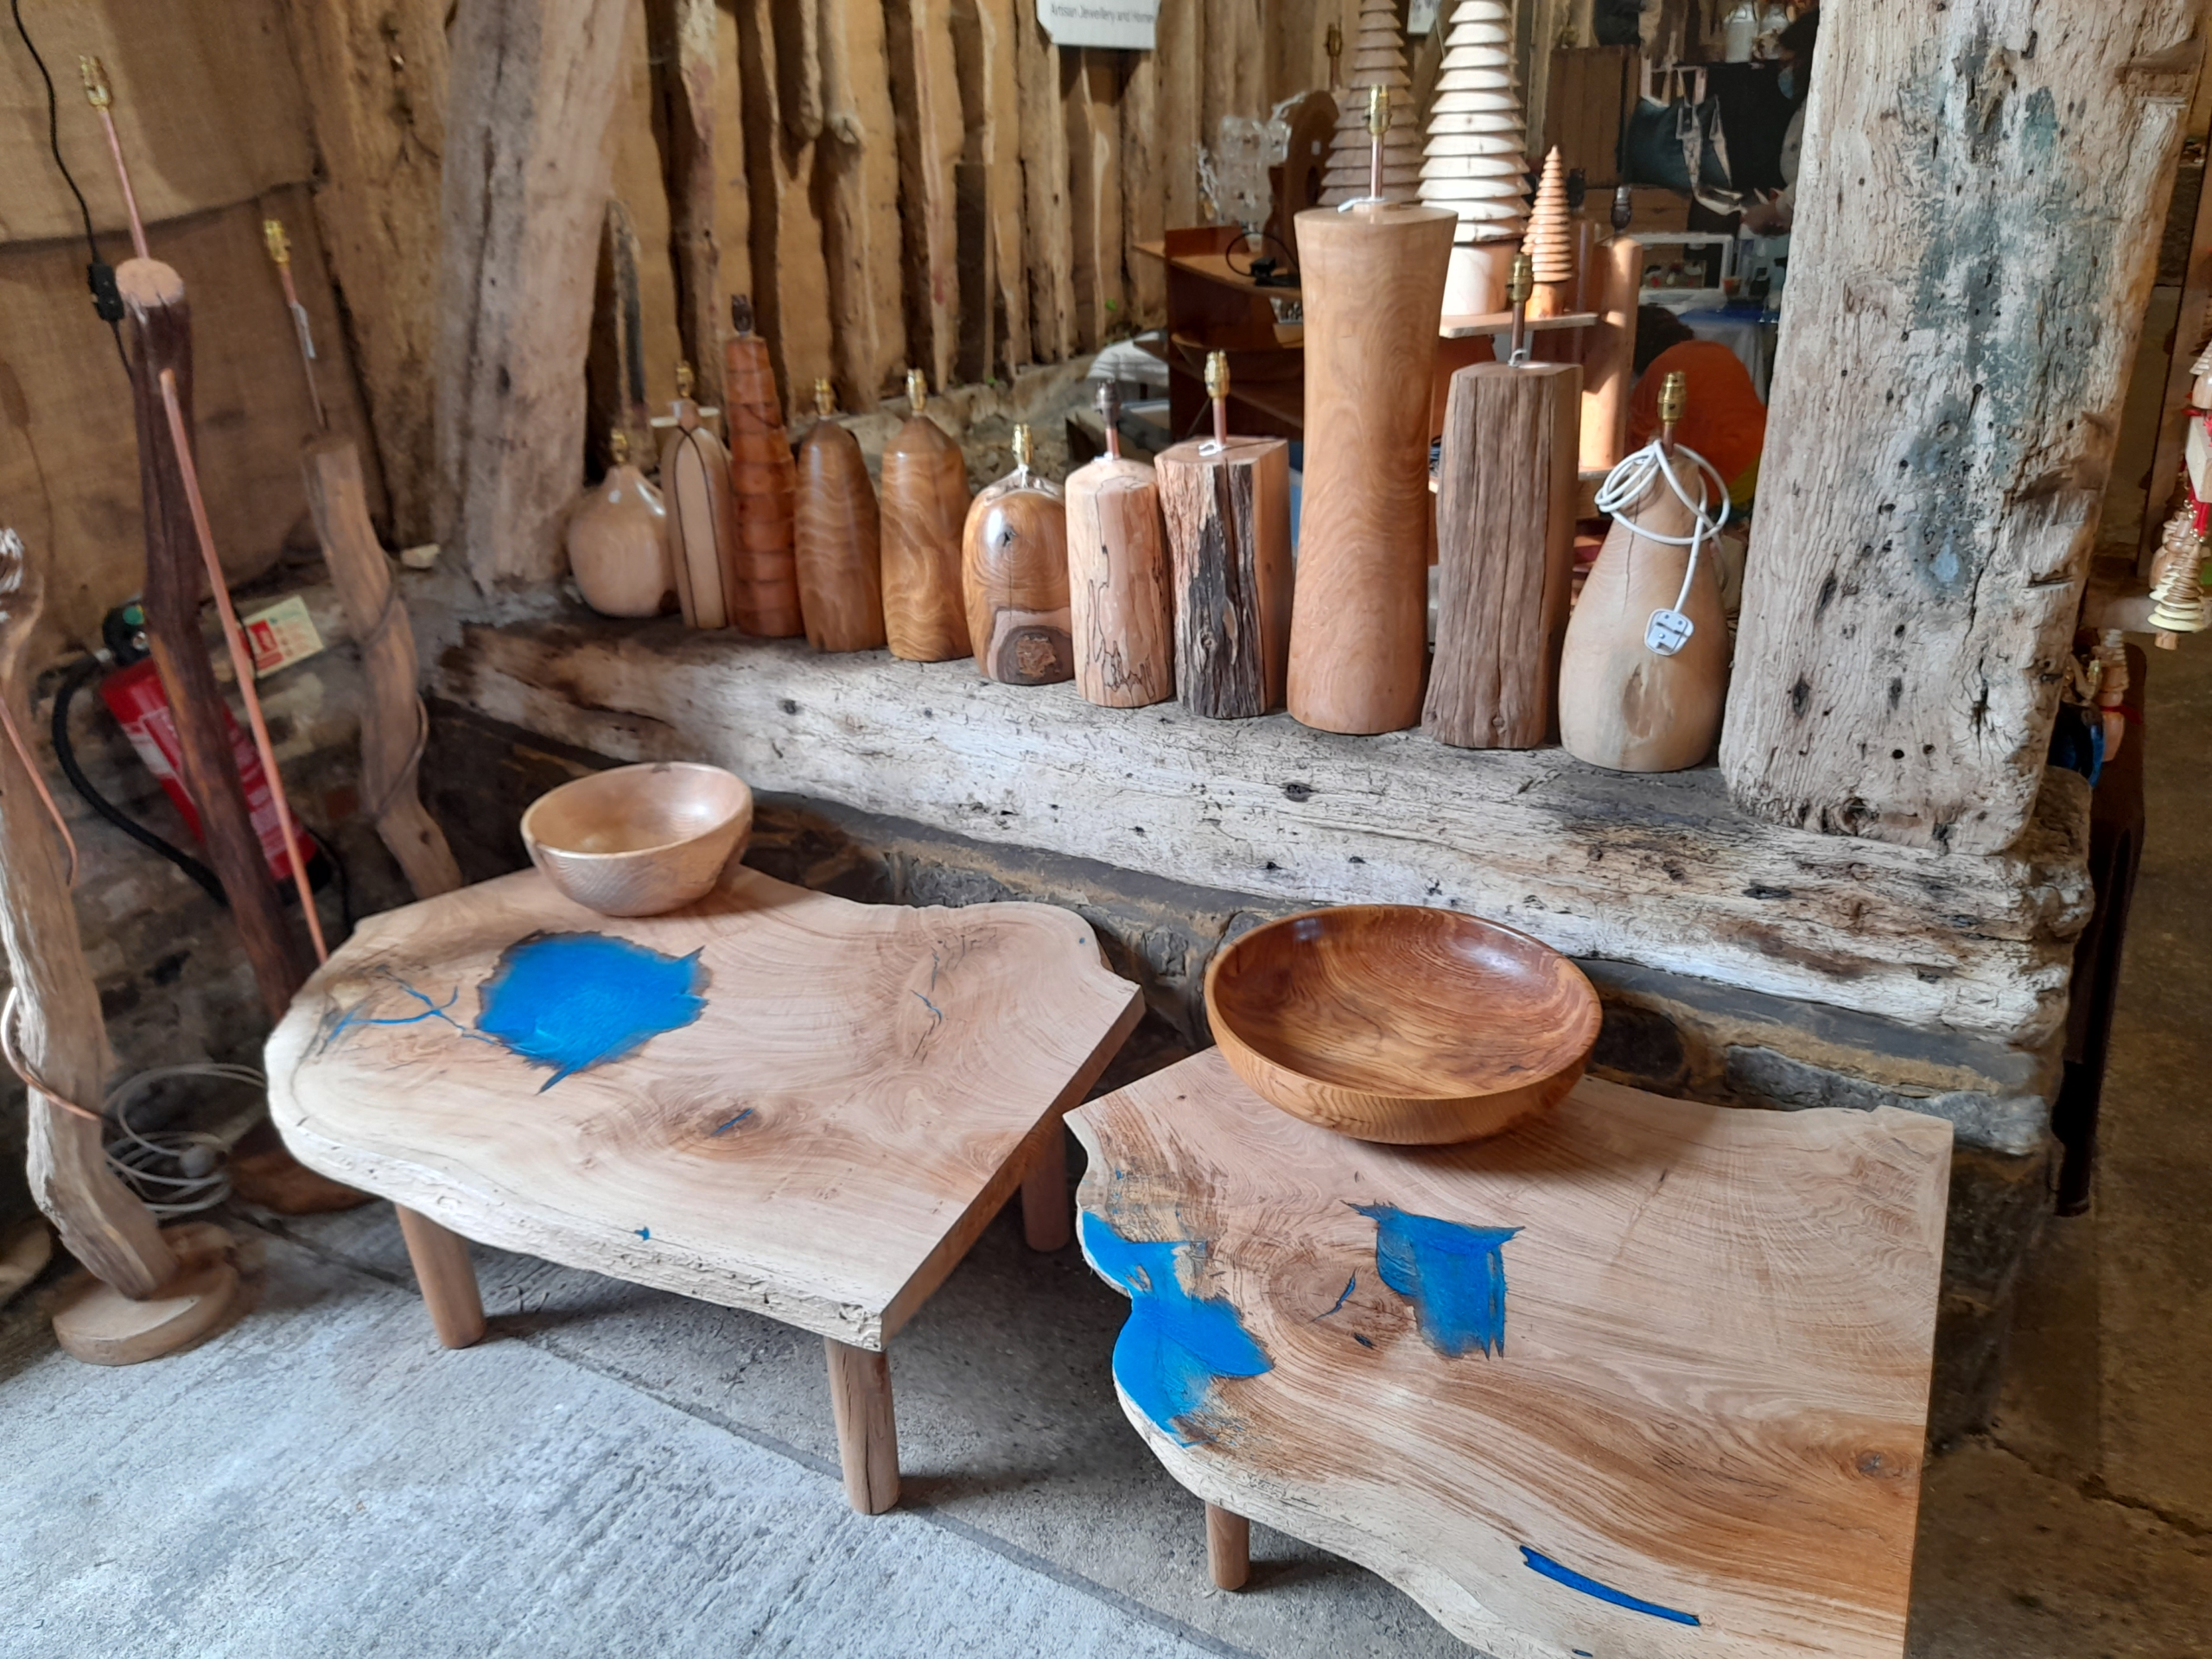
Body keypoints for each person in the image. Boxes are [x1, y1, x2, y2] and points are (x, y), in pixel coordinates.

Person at [1626, 306, 1767, 509]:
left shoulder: (1661, 369)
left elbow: (1644, 452)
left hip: (1727, 478)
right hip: (1763, 456)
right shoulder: (1718, 350)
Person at [1741, 10, 1820, 234]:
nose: (1785, 73)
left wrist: (1775, 210)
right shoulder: (1808, 105)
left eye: (1790, 64)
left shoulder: (1831, 112)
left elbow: (1820, 177)